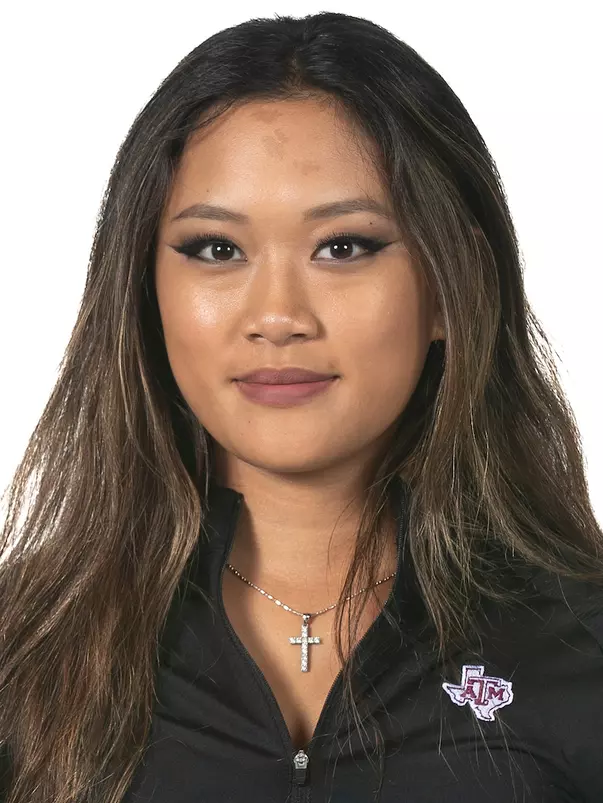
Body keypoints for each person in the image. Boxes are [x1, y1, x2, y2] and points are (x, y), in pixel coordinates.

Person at [0, 10, 602, 803]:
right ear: (146, 294)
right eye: (216, 249)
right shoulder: (24, 644)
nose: (277, 314)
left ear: (452, 291)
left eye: (343, 246)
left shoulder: (581, 644)